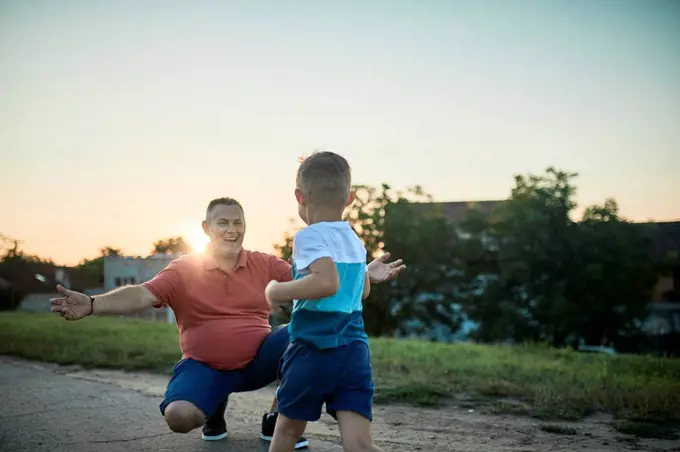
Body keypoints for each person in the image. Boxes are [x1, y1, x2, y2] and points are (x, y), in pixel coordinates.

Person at [49, 196, 405, 450]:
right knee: (179, 417)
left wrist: (362, 273)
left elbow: (319, 278)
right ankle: (213, 409)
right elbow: (142, 294)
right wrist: (93, 304)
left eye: (238, 223)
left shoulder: (265, 263)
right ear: (206, 228)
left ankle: (276, 416)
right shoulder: (183, 270)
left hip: (259, 360)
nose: (232, 229)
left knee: (299, 333)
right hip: (206, 365)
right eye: (223, 222)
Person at [265, 151, 383, 452]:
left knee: (287, 432)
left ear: (299, 196)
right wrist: (366, 273)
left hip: (313, 350)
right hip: (354, 352)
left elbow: (326, 282)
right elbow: (362, 291)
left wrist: (276, 291)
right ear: (350, 198)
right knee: (360, 444)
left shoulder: (309, 236)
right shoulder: (355, 240)